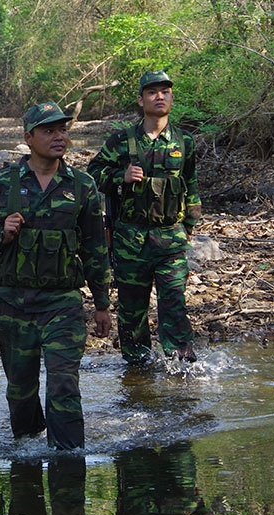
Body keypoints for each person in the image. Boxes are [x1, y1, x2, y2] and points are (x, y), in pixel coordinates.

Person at [0, 101, 112, 450]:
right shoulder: (1, 183)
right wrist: (1, 233)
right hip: (13, 305)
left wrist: (102, 304)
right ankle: (27, 455)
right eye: (49, 130)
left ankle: (69, 458)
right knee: (21, 392)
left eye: (63, 129)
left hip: (63, 304)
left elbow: (94, 249)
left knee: (63, 385)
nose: (59, 136)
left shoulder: (82, 186)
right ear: (28, 138)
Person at [87, 70, 202, 366]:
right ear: (141, 100)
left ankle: (181, 364)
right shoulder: (122, 141)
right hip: (130, 240)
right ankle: (138, 369)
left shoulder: (184, 141)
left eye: (165, 91)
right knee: (132, 309)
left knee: (174, 302)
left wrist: (189, 225)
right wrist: (119, 177)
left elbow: (190, 185)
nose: (159, 96)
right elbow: (93, 174)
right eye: (152, 92)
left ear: (172, 97)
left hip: (171, 239)